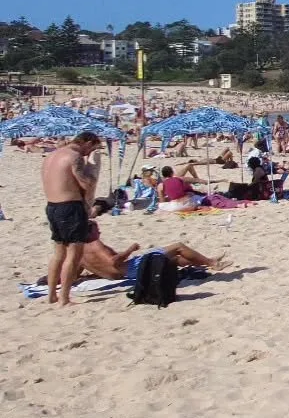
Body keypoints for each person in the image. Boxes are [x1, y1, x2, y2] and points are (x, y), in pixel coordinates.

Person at [80, 206, 229, 282]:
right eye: (97, 230)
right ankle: (212, 262)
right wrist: (130, 249)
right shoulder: (95, 244)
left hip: (121, 275)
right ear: (90, 232)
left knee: (172, 259)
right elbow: (114, 262)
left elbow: (76, 273)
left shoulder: (78, 251)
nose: (99, 233)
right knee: (178, 246)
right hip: (132, 268)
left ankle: (202, 262)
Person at [42, 131, 103, 306]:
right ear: (88, 143)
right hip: (70, 207)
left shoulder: (52, 155)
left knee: (58, 254)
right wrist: (92, 170)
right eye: (92, 148)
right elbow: (86, 183)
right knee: (73, 255)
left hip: (52, 206)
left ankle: (52, 295)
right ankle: (64, 299)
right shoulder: (74, 157)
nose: (89, 152)